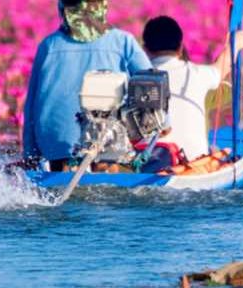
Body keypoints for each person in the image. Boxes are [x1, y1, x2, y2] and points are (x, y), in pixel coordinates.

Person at [22, 0, 153, 172]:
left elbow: (31, 103)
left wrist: (30, 153)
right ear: (102, 7)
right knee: (107, 172)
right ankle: (105, 168)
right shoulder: (122, 42)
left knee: (60, 180)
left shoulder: (49, 45)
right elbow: (151, 84)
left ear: (64, 10)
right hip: (106, 134)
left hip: (57, 137)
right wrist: (163, 124)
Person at [140, 16, 243, 172]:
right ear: (181, 48)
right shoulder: (198, 74)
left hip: (149, 167)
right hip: (195, 166)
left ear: (145, 50)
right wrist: (235, 44)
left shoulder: (133, 80)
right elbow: (224, 65)